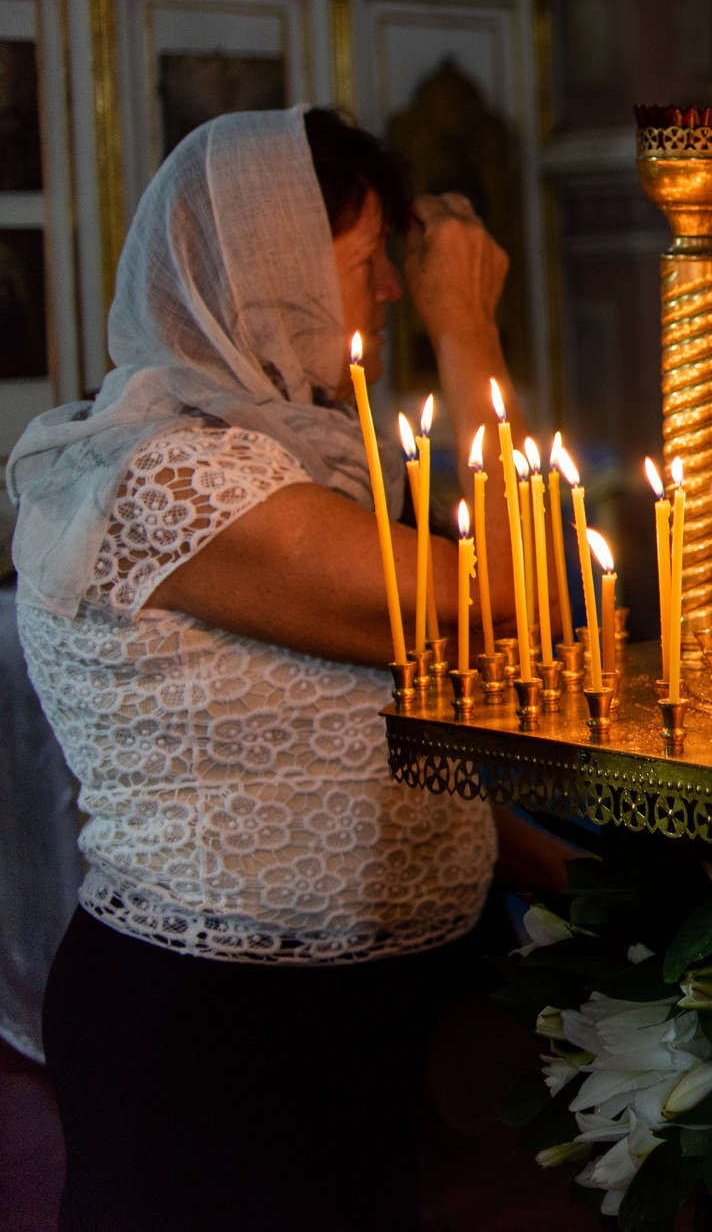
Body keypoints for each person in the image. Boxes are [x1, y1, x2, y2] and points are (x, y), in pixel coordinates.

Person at [8, 107, 552, 1232]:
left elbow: (321, 736)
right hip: (213, 1026)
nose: (393, 290)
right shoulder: (169, 476)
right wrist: (465, 328)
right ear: (268, 279)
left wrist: (548, 864)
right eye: (367, 261)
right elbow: (506, 596)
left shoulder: (296, 460)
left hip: (349, 1016)